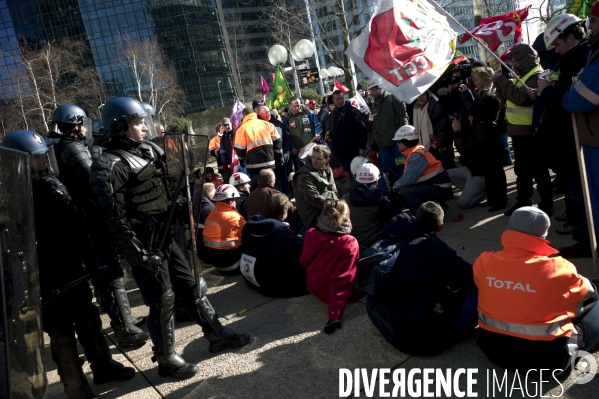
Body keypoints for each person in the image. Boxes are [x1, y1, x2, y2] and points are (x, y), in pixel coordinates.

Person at [90, 97, 250, 379]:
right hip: (145, 244)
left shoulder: (149, 149)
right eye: (138, 123)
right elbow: (113, 219)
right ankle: (166, 360)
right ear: (120, 127)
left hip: (167, 236)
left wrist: (178, 205)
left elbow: (165, 188)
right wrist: (138, 254)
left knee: (190, 286)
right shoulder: (108, 164)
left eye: (142, 122)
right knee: (162, 299)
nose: (144, 128)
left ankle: (216, 334)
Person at [1, 130, 136, 398]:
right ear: (19, 162)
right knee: (62, 333)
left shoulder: (53, 184)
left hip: (72, 267)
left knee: (89, 318)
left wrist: (92, 258)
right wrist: (33, 284)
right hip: (44, 276)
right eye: (36, 159)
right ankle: (75, 386)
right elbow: (13, 249)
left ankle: (103, 365)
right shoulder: (11, 199)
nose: (43, 162)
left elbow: (77, 225)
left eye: (43, 157)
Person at [48, 104, 150, 348]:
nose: (85, 128)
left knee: (105, 271)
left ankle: (123, 321)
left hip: (84, 219)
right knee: (108, 271)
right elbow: (93, 175)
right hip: (90, 219)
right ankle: (125, 329)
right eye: (82, 123)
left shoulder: (61, 146)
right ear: (74, 124)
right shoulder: (72, 147)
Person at [474, 207, 599, 372]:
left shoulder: (483, 261)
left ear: (509, 229)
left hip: (492, 351)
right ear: (544, 235)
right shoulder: (559, 267)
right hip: (549, 361)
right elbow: (589, 295)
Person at [365, 202, 477, 355]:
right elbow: (469, 276)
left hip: (382, 320)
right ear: (440, 227)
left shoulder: (389, 236)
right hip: (417, 337)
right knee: (479, 290)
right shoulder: (436, 250)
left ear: (414, 217)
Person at [554, 12, 597, 259]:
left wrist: (552, 91)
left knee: (585, 197)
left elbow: (573, 100)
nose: (590, 25)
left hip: (584, 138)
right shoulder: (584, 55)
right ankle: (584, 235)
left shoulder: (582, 58)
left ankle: (586, 239)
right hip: (580, 136)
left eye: (558, 45)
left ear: (570, 38)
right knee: (578, 193)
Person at [493, 43, 553, 216]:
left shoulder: (537, 75)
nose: (512, 64)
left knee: (539, 171)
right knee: (522, 171)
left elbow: (520, 98)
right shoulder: (521, 76)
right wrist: (499, 85)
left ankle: (546, 204)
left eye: (514, 60)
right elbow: (508, 99)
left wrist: (502, 81)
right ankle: (522, 202)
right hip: (518, 133)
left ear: (523, 59)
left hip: (531, 133)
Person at [300, 199, 361, 334]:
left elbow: (304, 260)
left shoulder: (310, 233)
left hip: (314, 287)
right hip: (330, 295)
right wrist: (334, 315)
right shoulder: (348, 242)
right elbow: (342, 280)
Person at [452, 66, 508, 211]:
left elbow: (474, 110)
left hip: (490, 141)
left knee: (496, 173)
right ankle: (491, 197)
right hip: (481, 140)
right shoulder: (481, 95)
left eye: (476, 80)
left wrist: (466, 94)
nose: (474, 83)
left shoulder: (491, 98)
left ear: (484, 80)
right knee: (488, 173)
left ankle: (500, 200)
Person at [240, 192, 308, 297]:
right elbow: (301, 248)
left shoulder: (250, 225)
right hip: (270, 282)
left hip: (251, 274)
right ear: (283, 212)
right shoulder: (280, 232)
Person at [390, 125, 453, 215]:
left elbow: (408, 179)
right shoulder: (415, 151)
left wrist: (393, 188)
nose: (397, 144)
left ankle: (426, 217)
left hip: (440, 188)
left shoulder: (416, 156)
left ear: (406, 141)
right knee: (401, 192)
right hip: (438, 186)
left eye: (398, 141)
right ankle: (436, 209)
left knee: (404, 192)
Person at [343, 163, 401, 250]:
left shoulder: (344, 198)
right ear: (377, 182)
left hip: (353, 245)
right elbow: (399, 218)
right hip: (378, 244)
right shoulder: (380, 200)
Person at [200, 184, 246, 274]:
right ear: (231, 201)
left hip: (217, 266)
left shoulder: (211, 215)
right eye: (235, 199)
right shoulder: (236, 217)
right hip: (234, 265)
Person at [293, 144, 339, 229]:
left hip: (327, 208)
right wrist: (337, 207)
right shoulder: (304, 175)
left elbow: (334, 191)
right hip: (314, 215)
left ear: (327, 160)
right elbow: (315, 199)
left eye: (319, 159)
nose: (314, 161)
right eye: (313, 157)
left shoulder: (327, 170)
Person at [234, 106, 282, 186]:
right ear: (254, 113)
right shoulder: (267, 124)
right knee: (272, 184)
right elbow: (278, 141)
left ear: (244, 116)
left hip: (253, 165)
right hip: (269, 162)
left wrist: (241, 159)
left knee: (257, 187)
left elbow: (239, 148)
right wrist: (278, 156)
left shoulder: (241, 129)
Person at [370, 82, 409, 177]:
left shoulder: (393, 99)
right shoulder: (373, 106)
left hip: (397, 145)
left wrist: (403, 139)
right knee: (388, 172)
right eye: (372, 89)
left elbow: (403, 118)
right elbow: (374, 124)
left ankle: (403, 190)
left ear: (382, 87)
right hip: (383, 148)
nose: (375, 91)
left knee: (402, 168)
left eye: (376, 88)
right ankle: (392, 191)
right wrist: (374, 141)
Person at [324, 90, 368, 174]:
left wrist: (361, 148)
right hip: (340, 154)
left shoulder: (353, 112)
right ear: (333, 100)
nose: (340, 101)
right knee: (346, 177)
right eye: (338, 99)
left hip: (354, 151)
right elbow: (328, 132)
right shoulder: (331, 116)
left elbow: (361, 130)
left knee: (357, 175)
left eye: (341, 98)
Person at [410, 91, 455, 170]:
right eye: (418, 96)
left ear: (428, 95)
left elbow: (442, 128)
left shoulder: (434, 106)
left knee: (446, 170)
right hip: (427, 148)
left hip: (438, 146)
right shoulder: (415, 108)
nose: (421, 98)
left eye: (423, 95)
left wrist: (441, 145)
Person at [284, 96, 323, 169]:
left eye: (298, 105)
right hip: (299, 151)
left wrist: (317, 133)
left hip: (312, 147)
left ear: (301, 104)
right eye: (294, 106)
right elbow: (286, 135)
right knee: (304, 173)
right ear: (290, 106)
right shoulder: (287, 118)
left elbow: (318, 125)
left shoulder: (308, 113)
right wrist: (292, 147)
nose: (297, 108)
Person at [219, 117, 235, 183]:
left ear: (231, 123)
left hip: (241, 161)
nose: (227, 126)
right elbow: (223, 152)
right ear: (222, 127)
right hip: (232, 163)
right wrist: (224, 165)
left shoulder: (237, 132)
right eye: (225, 125)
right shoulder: (223, 139)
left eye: (228, 124)